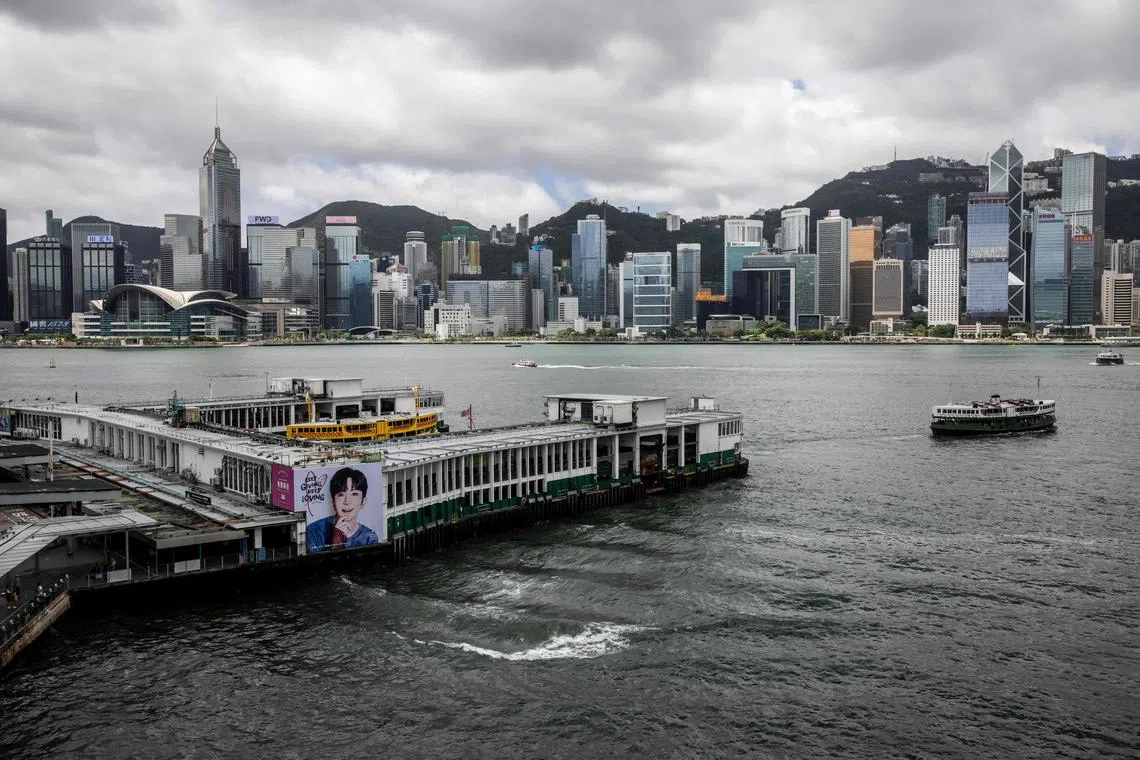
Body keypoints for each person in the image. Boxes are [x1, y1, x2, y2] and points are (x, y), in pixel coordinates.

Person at [306, 467, 379, 553]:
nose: (347, 501)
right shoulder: (314, 531)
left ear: (363, 502)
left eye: (354, 494)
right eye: (341, 494)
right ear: (333, 502)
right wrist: (336, 544)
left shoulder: (369, 537)